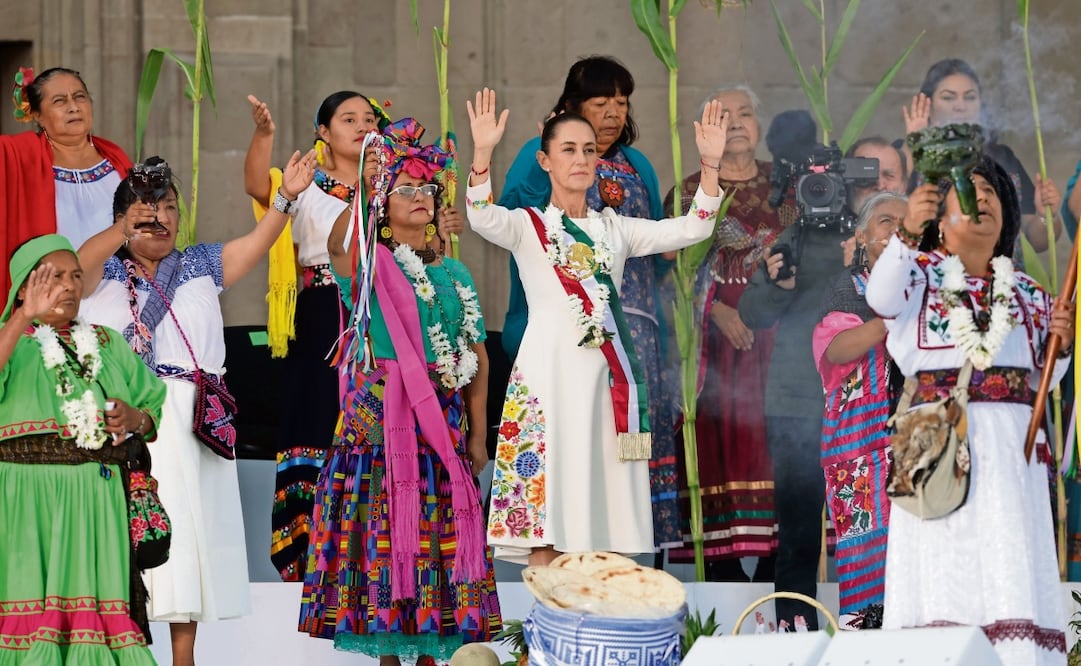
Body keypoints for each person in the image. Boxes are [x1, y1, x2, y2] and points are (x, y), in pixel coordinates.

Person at [465, 88, 728, 565]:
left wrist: (709, 167)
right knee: (547, 514)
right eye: (568, 149)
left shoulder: (617, 229)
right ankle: (546, 633)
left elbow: (694, 228)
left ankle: (601, 619)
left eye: (589, 150)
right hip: (546, 379)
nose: (581, 159)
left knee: (603, 513)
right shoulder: (527, 225)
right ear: (544, 161)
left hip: (607, 385)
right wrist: (482, 153)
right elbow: (481, 216)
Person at [77, 151, 317, 666]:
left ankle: (184, 659)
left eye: (166, 206)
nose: (157, 216)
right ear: (122, 216)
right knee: (122, 536)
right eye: (144, 207)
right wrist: (124, 230)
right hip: (120, 415)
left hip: (193, 418)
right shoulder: (99, 273)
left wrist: (287, 197)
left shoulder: (201, 264)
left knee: (185, 540)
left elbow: (259, 242)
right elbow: (78, 263)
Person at [298, 117, 501, 663]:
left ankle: (435, 652)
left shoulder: (456, 273)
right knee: (383, 536)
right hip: (378, 427)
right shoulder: (368, 265)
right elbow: (338, 242)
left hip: (444, 422)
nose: (419, 198)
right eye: (405, 190)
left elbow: (476, 356)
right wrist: (365, 186)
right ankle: (389, 654)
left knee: (439, 540)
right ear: (383, 206)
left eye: (426, 190)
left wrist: (479, 434)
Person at [866, 156, 1071, 665]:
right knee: (939, 566)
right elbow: (880, 297)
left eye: (992, 192)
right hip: (936, 446)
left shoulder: (1029, 294)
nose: (982, 199)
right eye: (969, 190)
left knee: (1009, 565)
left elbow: (1048, 380)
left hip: (1010, 460)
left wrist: (1062, 346)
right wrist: (909, 231)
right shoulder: (915, 274)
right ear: (938, 214)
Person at [498, 56, 682, 551]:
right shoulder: (537, 155)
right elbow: (517, 219)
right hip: (559, 334)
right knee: (562, 459)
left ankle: (627, 582)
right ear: (572, 106)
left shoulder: (637, 164)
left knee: (622, 463)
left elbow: (659, 251)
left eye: (621, 103)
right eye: (600, 103)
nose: (613, 114)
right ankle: (556, 581)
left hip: (631, 335)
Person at [0, 234, 165, 664]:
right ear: (24, 286)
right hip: (25, 503)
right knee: (28, 614)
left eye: (76, 276)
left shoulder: (108, 343)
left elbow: (153, 407)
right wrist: (21, 318)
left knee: (94, 621)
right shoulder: (10, 340)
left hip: (98, 499)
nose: (70, 286)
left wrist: (136, 420)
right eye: (55, 277)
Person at [662, 85, 795, 581]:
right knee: (721, 453)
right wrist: (715, 309)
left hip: (779, 349)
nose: (737, 122)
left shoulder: (789, 186)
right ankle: (720, 586)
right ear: (705, 131)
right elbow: (670, 275)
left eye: (746, 112)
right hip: (716, 356)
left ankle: (776, 583)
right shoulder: (690, 192)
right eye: (724, 115)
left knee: (780, 449)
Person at [737, 112, 850, 630]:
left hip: (863, 400)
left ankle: (875, 633)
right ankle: (794, 638)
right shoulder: (788, 241)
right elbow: (753, 317)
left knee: (872, 529)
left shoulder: (870, 239)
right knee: (800, 535)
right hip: (797, 403)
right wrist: (777, 287)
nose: (822, 192)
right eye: (814, 183)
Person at [812, 191, 905, 623]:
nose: (896, 230)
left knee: (916, 550)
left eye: (906, 225)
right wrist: (892, 316)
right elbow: (837, 351)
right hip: (859, 452)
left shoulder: (933, 290)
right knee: (864, 550)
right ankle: (865, 647)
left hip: (914, 443)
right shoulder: (846, 289)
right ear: (861, 237)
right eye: (886, 221)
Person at [902, 58, 1062, 261]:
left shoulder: (1002, 158)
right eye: (948, 98)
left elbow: (1038, 240)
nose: (960, 106)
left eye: (970, 97)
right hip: (933, 281)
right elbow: (892, 217)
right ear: (929, 105)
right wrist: (916, 145)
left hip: (1003, 283)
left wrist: (1045, 215)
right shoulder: (909, 152)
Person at [0, 67, 133, 307]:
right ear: (38, 115)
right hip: (54, 303)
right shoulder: (18, 157)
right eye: (59, 101)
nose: (73, 106)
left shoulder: (116, 159)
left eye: (80, 96)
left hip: (121, 301)